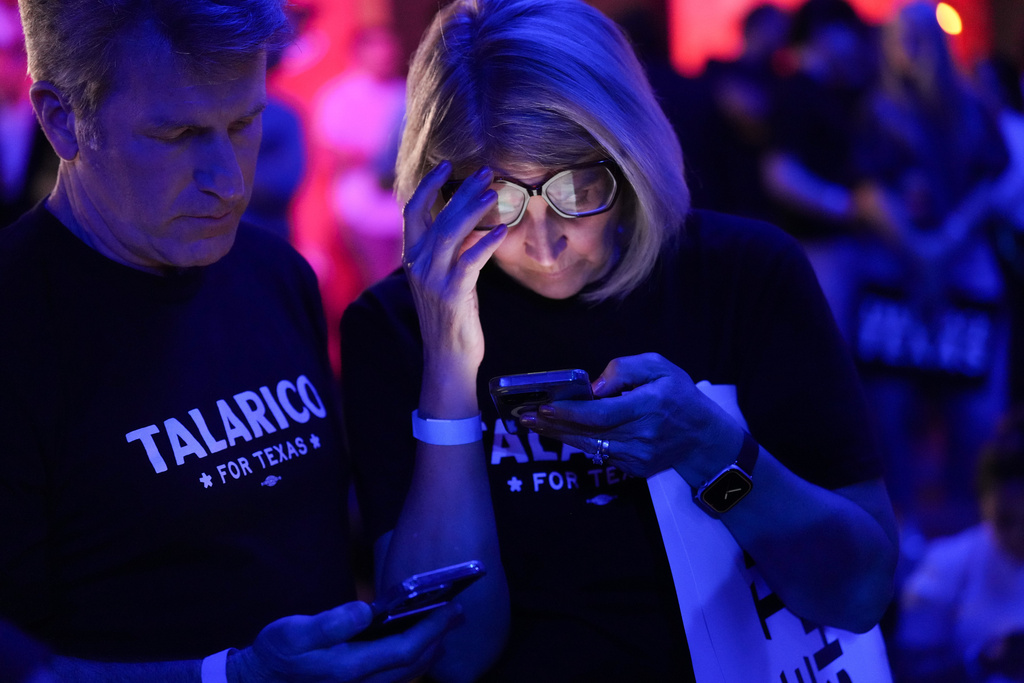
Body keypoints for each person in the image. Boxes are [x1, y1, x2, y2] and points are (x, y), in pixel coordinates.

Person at [340, 0, 899, 679]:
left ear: (630, 159)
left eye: (579, 185)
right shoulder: (396, 324)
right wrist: (449, 375)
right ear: (442, 190)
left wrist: (708, 448)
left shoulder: (741, 275)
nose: (544, 244)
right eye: (498, 201)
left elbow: (860, 589)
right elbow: (451, 655)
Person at [0, 1, 505, 681]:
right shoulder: (21, 319)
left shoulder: (274, 272)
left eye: (244, 124)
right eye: (177, 134)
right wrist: (231, 676)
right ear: (62, 119)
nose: (229, 182)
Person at [895, 407, 1024, 682]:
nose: (1018, 535)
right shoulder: (946, 563)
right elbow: (908, 673)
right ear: (987, 502)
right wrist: (983, 660)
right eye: (1007, 521)